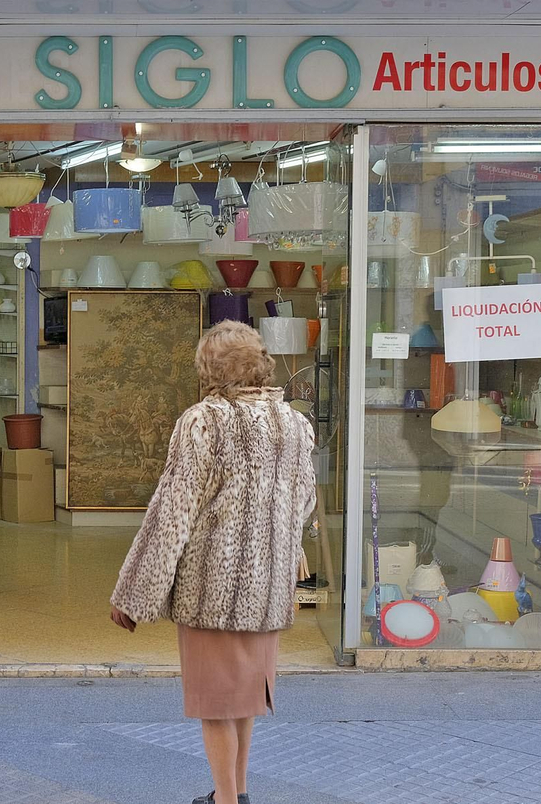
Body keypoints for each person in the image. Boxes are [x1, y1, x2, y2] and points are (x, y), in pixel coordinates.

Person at [109, 320, 317, 804]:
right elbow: (303, 500)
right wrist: (286, 552)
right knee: (242, 699)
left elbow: (171, 514)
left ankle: (225, 800)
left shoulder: (203, 421)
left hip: (213, 590)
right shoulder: (294, 423)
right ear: (260, 364)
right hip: (267, 588)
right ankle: (236, 793)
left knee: (216, 705)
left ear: (210, 369)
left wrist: (133, 597)